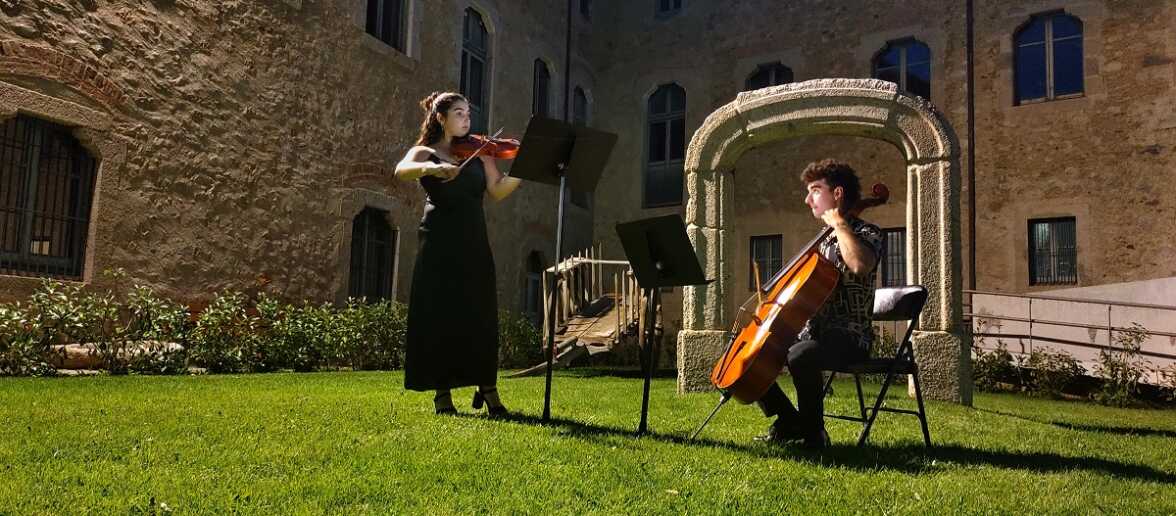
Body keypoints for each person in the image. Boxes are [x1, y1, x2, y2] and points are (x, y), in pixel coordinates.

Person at [394, 91, 522, 416]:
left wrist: (524, 171)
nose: (467, 119)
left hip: (473, 237)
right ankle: (442, 393)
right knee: (440, 313)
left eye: (468, 113)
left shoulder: (481, 154)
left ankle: (488, 389)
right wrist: (434, 170)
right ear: (441, 118)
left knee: (479, 312)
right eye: (459, 113)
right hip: (438, 237)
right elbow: (401, 170)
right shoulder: (427, 151)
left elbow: (497, 190)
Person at [755, 159, 883, 448]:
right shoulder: (823, 243)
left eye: (815, 190)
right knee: (754, 352)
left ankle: (815, 434)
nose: (807, 198)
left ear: (836, 194)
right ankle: (790, 421)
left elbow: (859, 265)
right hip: (815, 333)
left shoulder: (867, 234)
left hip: (850, 337)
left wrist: (838, 222)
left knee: (801, 354)